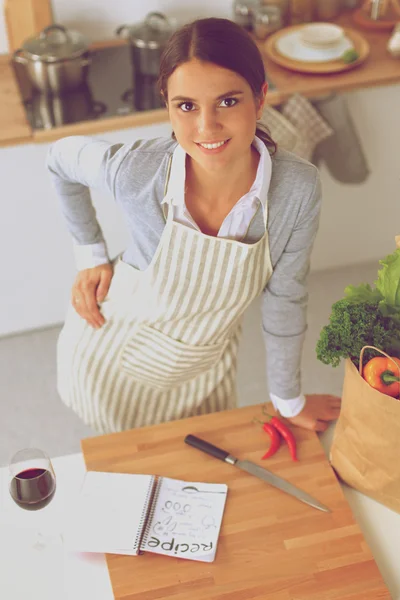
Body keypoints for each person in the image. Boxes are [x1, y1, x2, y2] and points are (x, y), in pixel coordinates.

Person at [46, 17, 341, 435]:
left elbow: (285, 298)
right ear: (167, 104)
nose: (207, 127)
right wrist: (90, 254)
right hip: (109, 355)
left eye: (227, 102)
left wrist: (288, 401)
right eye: (186, 106)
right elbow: (60, 160)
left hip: (203, 371)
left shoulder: (296, 189)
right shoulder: (137, 171)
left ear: (260, 100)